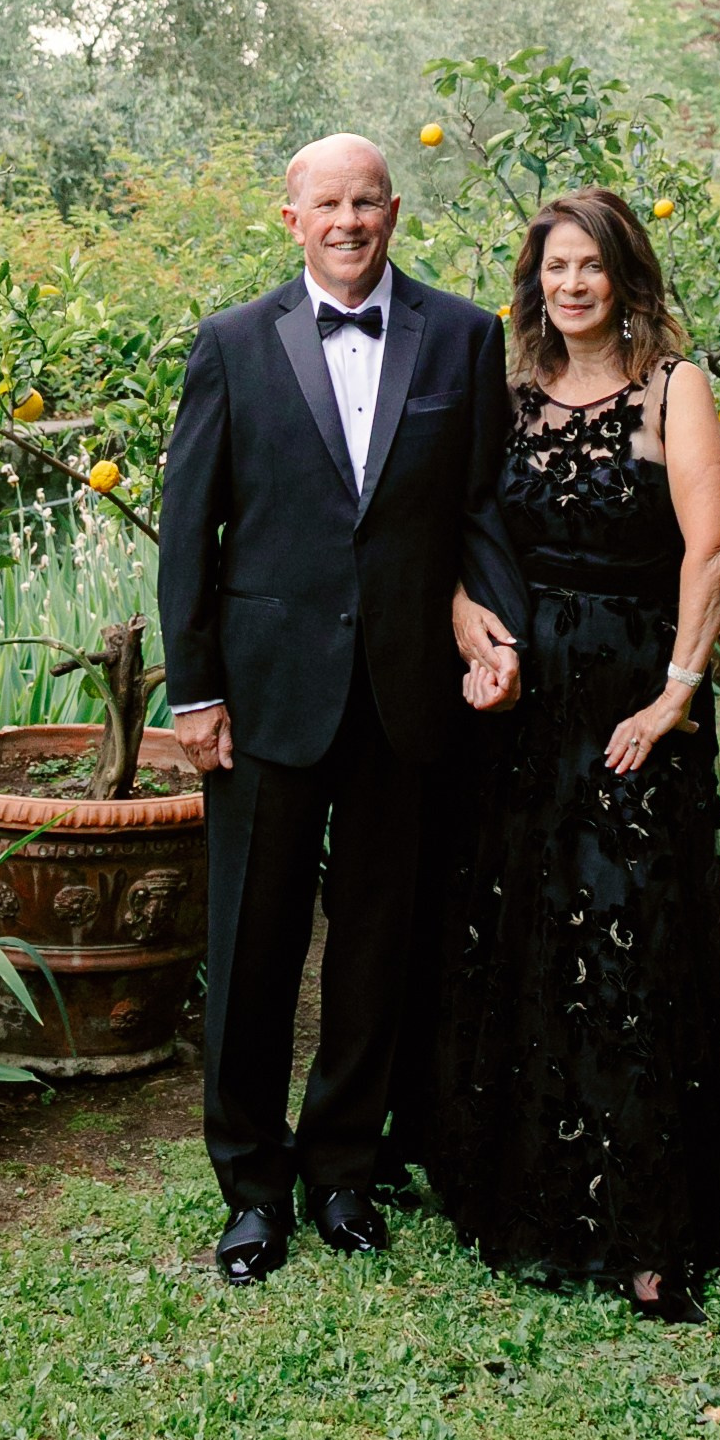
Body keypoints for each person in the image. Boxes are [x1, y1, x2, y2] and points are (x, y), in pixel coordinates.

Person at [158, 134, 524, 1286]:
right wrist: (193, 688)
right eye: (327, 203)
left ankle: (342, 1171)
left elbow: (480, 509)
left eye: (366, 201)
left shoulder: (462, 337)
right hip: (263, 694)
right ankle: (251, 1188)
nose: (348, 221)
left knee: (376, 942)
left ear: (394, 211)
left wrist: (495, 631)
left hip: (404, 695)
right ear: (292, 218)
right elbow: (189, 529)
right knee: (252, 945)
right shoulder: (230, 343)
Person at [430, 185, 720, 1320]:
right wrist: (466, 621)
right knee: (525, 930)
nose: (570, 284)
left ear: (624, 277)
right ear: (535, 283)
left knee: (632, 935)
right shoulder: (513, 393)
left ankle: (648, 1228)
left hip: (630, 698)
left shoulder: (674, 389)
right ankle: (520, 1189)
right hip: (523, 705)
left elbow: (712, 546)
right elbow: (461, 531)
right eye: (553, 266)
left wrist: (675, 694)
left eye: (589, 264)